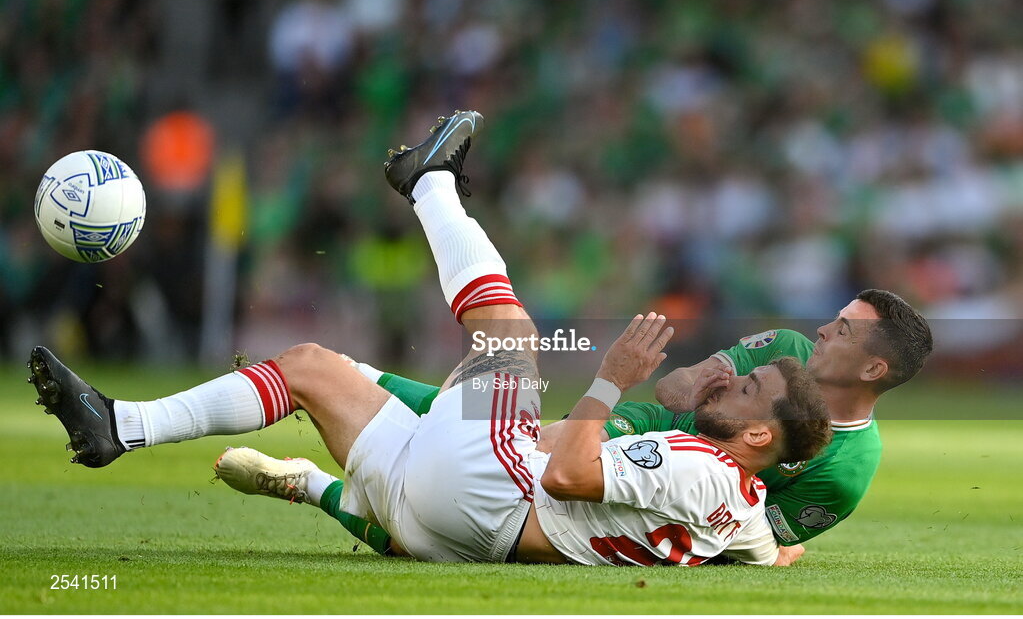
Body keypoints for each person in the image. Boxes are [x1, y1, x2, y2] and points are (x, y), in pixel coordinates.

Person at [28, 111, 831, 566]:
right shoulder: (746, 515)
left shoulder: (709, 466)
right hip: (439, 523)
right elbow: (773, 553)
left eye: (747, 392)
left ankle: (428, 181)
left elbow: (573, 473)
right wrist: (782, 550)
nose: (727, 384)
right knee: (310, 368)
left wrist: (611, 379)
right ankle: (120, 425)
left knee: (509, 333)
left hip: (492, 496)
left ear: (758, 434)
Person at [345, 291, 933, 555]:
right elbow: (672, 390)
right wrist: (696, 386)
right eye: (835, 319)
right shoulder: (782, 347)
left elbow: (752, 539)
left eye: (845, 331)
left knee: (500, 446)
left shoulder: (847, 472)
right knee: (526, 443)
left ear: (873, 367)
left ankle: (348, 392)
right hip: (648, 430)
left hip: (675, 493)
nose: (826, 330)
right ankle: (356, 380)